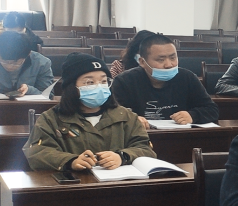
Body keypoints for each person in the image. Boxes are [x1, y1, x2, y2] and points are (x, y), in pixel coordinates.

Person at [24, 53, 156, 172]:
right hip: (75, 185)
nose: (99, 86)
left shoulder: (126, 116)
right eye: (89, 82)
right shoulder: (51, 119)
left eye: (104, 81)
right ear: (72, 87)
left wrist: (122, 156)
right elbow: (37, 152)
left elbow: (145, 149)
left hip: (117, 185)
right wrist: (70, 161)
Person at [111, 34, 219, 128]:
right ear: (142, 62)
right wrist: (131, 119)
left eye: (173, 58)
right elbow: (113, 114)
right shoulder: (123, 82)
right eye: (161, 60)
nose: (169, 65)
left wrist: (193, 115)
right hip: (141, 138)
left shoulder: (187, 78)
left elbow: (212, 109)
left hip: (181, 136)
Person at [0, 31, 55, 98]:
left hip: (28, 104)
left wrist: (29, 90)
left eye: (16, 63)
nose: (9, 66)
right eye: (4, 61)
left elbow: (48, 94)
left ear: (28, 54)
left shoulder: (42, 63)